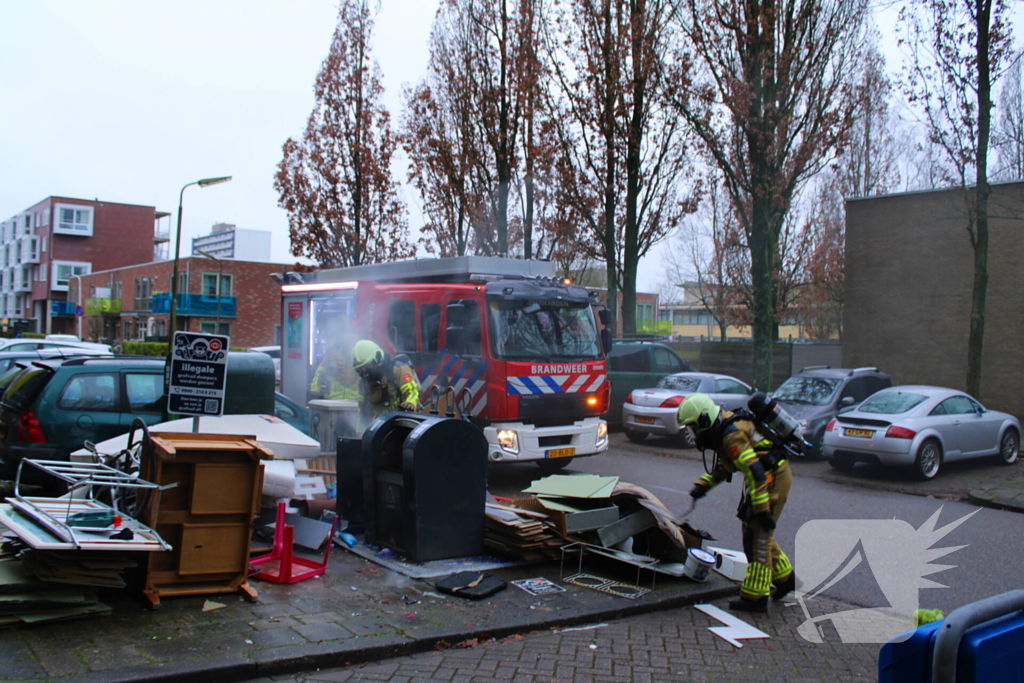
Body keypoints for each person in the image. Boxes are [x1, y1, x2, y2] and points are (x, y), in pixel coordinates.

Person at [677, 393, 796, 613]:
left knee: (758, 537)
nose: (694, 435)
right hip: (765, 478)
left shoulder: (730, 436)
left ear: (704, 420)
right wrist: (703, 485)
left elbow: (755, 472)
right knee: (756, 531)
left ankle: (755, 597)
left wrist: (762, 511)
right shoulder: (723, 429)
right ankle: (785, 578)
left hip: (771, 478)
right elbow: (725, 467)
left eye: (694, 428)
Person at [350, 339, 420, 418]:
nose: (364, 370)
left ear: (378, 358)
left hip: (404, 421)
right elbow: (363, 411)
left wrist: (410, 403)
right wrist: (361, 430)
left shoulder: (398, 369)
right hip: (382, 425)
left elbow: (412, 392)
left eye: (367, 365)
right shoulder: (363, 382)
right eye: (361, 368)